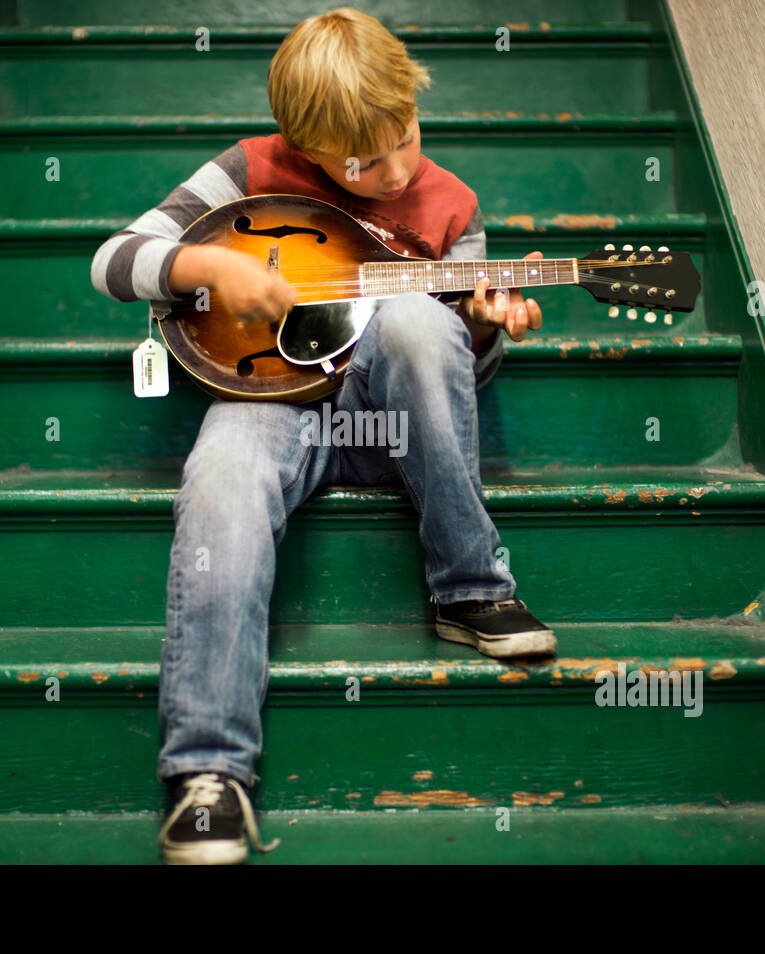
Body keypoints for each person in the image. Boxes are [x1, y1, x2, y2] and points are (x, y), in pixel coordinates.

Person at [90, 6, 556, 865]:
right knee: (222, 474)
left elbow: (457, 382)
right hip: (270, 405)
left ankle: (470, 588)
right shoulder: (249, 170)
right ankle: (207, 776)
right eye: (361, 161)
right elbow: (115, 259)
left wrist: (485, 329)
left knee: (420, 319)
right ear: (302, 147)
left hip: (394, 429)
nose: (395, 166)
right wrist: (213, 265)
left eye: (405, 137)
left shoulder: (452, 207)